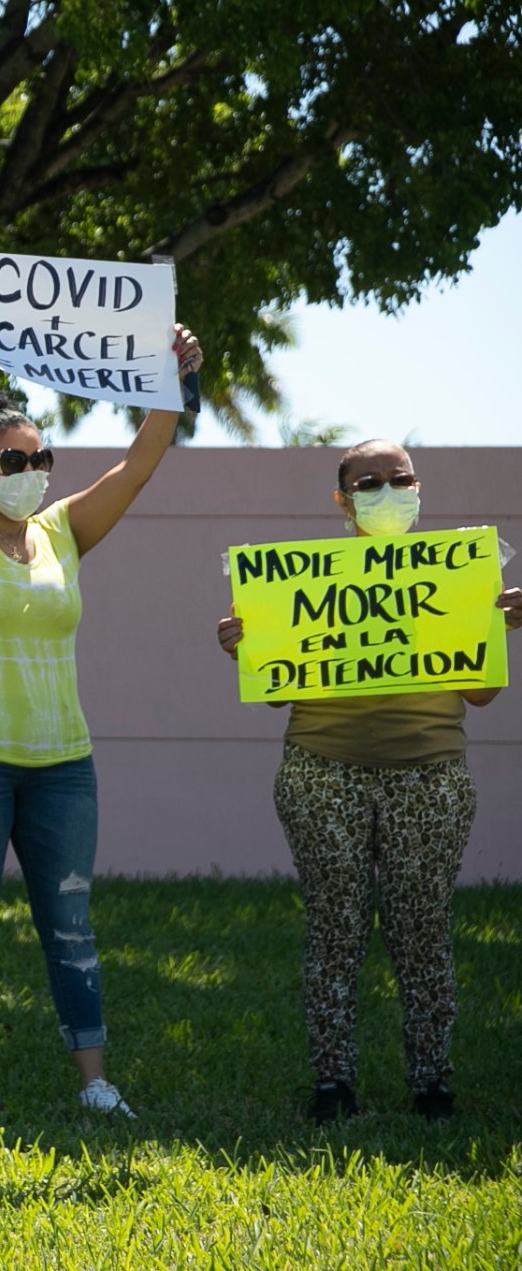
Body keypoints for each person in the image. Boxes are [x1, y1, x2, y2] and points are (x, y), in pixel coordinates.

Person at [0, 303, 203, 1118]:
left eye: (43, 454)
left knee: (71, 926)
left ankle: (96, 1083)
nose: (35, 465)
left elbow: (139, 465)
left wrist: (168, 382)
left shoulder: (63, 530)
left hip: (63, 766)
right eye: (16, 456)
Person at [215, 441, 520, 1123]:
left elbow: (482, 694)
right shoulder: (297, 583)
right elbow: (273, 692)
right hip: (320, 772)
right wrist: (248, 641)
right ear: (341, 498)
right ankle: (333, 1084)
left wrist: (494, 625)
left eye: (398, 479)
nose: (385, 490)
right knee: (335, 927)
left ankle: (433, 1085)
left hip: (431, 775)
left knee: (423, 928)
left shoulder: (461, 574)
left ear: (420, 488)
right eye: (368, 482)